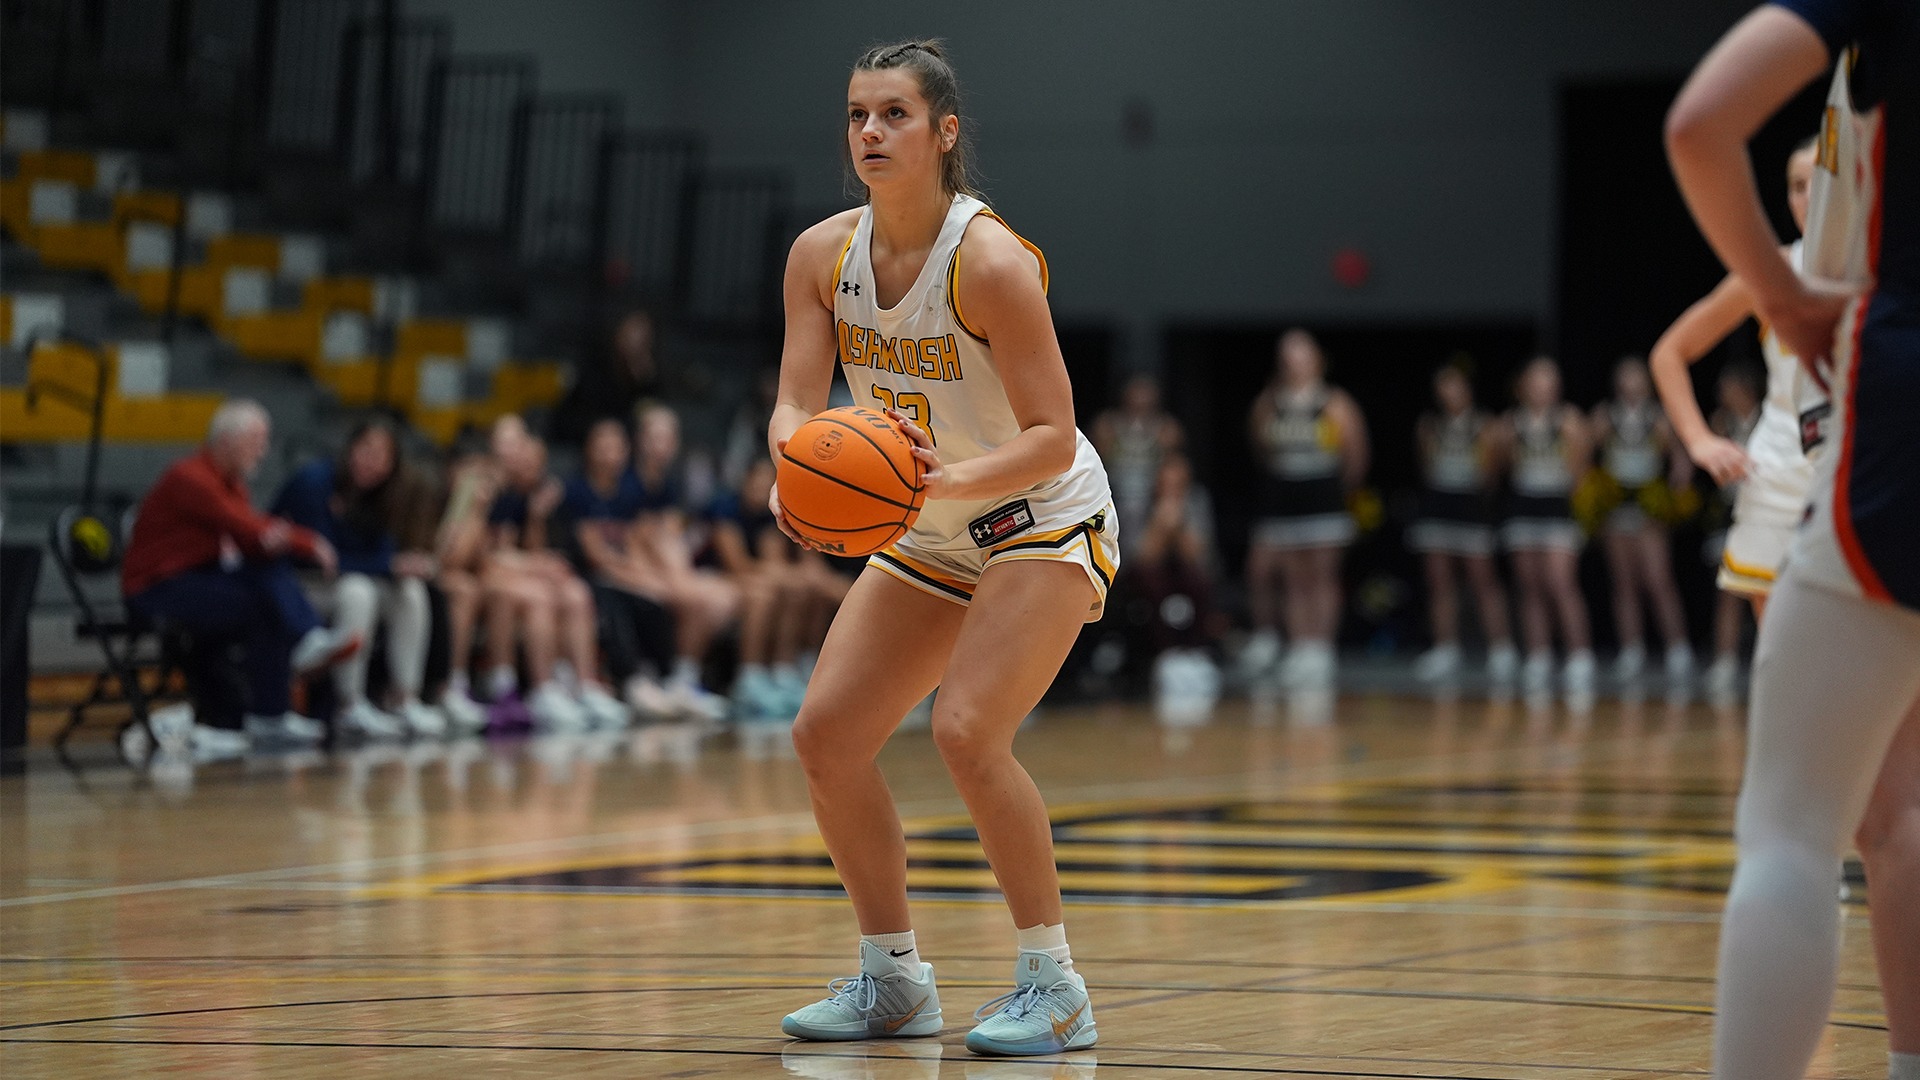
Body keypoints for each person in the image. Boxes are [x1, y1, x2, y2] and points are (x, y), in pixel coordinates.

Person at [770, 40, 1115, 1057]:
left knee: (966, 731)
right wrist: (793, 465)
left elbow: (1052, 432)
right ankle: (892, 980)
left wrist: (938, 482)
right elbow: (795, 402)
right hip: (927, 528)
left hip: (1038, 517)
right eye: (856, 116)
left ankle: (1055, 986)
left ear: (944, 133)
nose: (869, 132)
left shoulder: (992, 263)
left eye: (893, 115)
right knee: (826, 737)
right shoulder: (819, 255)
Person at [1666, 3, 1919, 1077]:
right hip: (1794, 473)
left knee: (1792, 824)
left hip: (1892, 428)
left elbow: (1698, 122)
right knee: (1896, 806)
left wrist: (1789, 304)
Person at [121, 399, 361, 748]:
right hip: (157, 588)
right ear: (226, 441)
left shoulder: (232, 482)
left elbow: (253, 540)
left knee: (265, 576)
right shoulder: (189, 477)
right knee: (260, 601)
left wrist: (277, 540)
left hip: (198, 579)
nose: (263, 452)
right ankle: (279, 695)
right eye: (256, 441)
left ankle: (275, 706)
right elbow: (246, 526)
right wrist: (309, 541)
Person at [273, 418, 444, 740]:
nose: (373, 462)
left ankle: (404, 698)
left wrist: (402, 565)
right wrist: (389, 565)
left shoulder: (382, 494)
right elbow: (324, 558)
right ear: (350, 448)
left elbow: (382, 552)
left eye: (383, 457)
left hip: (348, 576)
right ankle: (348, 704)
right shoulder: (314, 483)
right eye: (367, 450)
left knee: (410, 590)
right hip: (300, 583)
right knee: (359, 592)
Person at [475, 418, 630, 731]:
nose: (531, 467)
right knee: (540, 596)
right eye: (525, 459)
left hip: (519, 574)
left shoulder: (540, 498)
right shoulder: (494, 492)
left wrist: (536, 518)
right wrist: (536, 565)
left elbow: (536, 549)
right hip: (492, 577)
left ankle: (584, 684)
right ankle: (538, 687)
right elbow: (489, 556)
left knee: (575, 592)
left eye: (538, 462)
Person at [1241, 329, 1369, 690]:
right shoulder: (1270, 402)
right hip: (1285, 498)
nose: (1294, 361)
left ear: (1316, 359)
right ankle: (1299, 646)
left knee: (1322, 576)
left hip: (1324, 497)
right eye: (1288, 354)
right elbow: (1260, 447)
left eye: (1302, 354)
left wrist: (1338, 490)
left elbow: (1355, 455)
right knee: (1293, 578)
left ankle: (1320, 647)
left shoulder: (1334, 402)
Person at [711, 458, 850, 721]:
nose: (762, 485)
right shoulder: (726, 508)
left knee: (803, 591)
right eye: (758, 479)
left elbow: (775, 562)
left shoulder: (772, 513)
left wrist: (798, 578)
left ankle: (787, 670)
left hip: (760, 577)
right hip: (722, 577)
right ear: (746, 480)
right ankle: (749, 678)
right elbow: (738, 565)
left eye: (768, 481)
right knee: (765, 595)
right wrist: (793, 576)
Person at [562, 418, 681, 719]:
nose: (610, 453)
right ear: (589, 451)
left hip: (619, 574)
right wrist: (634, 577)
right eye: (603, 446)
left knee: (655, 600)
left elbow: (632, 543)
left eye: (616, 446)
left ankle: (663, 678)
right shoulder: (577, 491)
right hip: (586, 574)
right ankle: (629, 680)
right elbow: (596, 556)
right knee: (614, 602)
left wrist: (646, 575)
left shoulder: (629, 492)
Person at [1408, 363, 1516, 684]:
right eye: (1443, 386)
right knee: (1439, 580)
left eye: (1455, 385)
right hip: (1438, 506)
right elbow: (1425, 465)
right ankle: (1446, 648)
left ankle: (1501, 649)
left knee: (1483, 580)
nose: (1449, 393)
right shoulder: (1429, 425)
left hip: (1472, 508)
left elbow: (1492, 472)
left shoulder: (1486, 425)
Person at [1493, 358, 1596, 697]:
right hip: (1524, 506)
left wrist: (1572, 500)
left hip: (1557, 507)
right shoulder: (1510, 424)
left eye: (1548, 382)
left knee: (1560, 581)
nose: (1542, 389)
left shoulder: (1568, 420)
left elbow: (1580, 468)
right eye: (1536, 382)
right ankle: (1538, 654)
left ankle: (1580, 655)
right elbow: (1498, 465)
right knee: (1529, 584)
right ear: (1524, 386)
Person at [1590, 357, 1695, 685]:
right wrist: (1594, 494)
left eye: (1636, 377)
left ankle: (1678, 647)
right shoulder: (1605, 416)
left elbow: (1679, 457)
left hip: (1648, 507)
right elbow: (1587, 455)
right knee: (1624, 582)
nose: (1631, 384)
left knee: (1657, 579)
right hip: (1617, 505)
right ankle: (1631, 649)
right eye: (1625, 377)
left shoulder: (1657, 417)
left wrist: (1676, 492)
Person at [1133, 453, 1222, 711]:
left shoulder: (1197, 502)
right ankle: (1161, 653)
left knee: (1197, 580)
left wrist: (1180, 523)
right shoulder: (1140, 504)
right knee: (1150, 580)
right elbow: (1141, 558)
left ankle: (1196, 653)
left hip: (1186, 571)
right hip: (1151, 576)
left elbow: (1199, 556)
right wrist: (1160, 526)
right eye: (1166, 485)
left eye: (1178, 485)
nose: (1172, 491)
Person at [1697, 366, 1764, 695]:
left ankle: (1769, 663)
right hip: (1731, 511)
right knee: (1728, 590)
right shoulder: (1721, 423)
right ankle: (1724, 661)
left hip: (1765, 510)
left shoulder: (1769, 420)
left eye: (1729, 387)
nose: (1723, 393)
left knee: (1766, 592)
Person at [1090, 372, 1182, 563]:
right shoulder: (1107, 424)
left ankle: (1138, 568)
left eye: (1145, 391)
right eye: (1136, 390)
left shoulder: (1166, 427)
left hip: (1151, 496)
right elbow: (1092, 462)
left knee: (1169, 512)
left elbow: (1176, 466)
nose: (1140, 397)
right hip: (1113, 493)